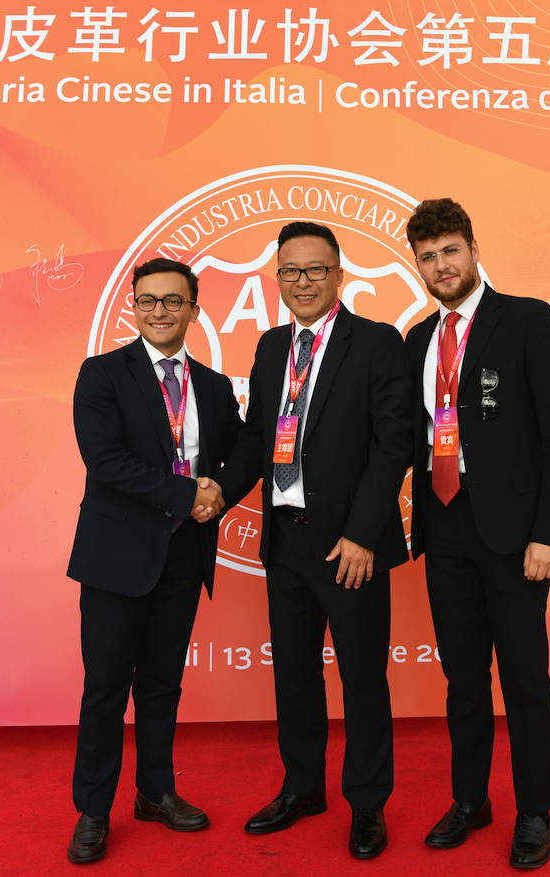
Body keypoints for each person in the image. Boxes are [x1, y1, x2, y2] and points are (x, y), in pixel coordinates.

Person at [212, 221, 412, 859]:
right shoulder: (272, 347)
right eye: (291, 271)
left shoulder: (376, 343)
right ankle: (302, 788)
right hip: (286, 542)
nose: (303, 282)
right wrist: (217, 492)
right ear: (278, 278)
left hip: (348, 547)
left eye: (316, 269)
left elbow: (393, 446)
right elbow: (255, 436)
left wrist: (362, 535)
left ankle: (367, 803)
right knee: (294, 677)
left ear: (339, 275)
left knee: (362, 679)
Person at [403, 199, 550, 869]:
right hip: (443, 522)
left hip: (514, 533)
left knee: (524, 677)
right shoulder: (417, 340)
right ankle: (470, 799)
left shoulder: (528, 319)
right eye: (428, 257)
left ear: (474, 250)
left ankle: (534, 810)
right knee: (462, 678)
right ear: (418, 266)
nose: (441, 265)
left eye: (450, 250)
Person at [65, 257, 242, 864]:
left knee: (163, 683)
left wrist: (220, 490)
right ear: (133, 308)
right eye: (148, 301)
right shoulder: (102, 374)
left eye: (172, 301)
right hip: (117, 556)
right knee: (106, 688)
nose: (159, 311)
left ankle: (155, 792)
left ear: (194, 309)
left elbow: (242, 451)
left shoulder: (214, 387)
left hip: (183, 554)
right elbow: (105, 461)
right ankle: (93, 810)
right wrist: (189, 493)